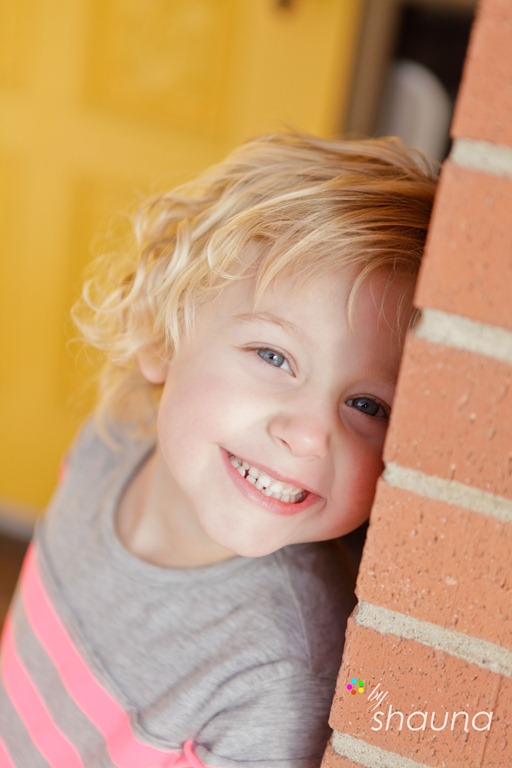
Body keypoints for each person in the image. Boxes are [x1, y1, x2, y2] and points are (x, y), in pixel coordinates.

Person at [0, 133, 437, 767]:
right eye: (273, 356)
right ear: (161, 333)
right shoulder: (108, 443)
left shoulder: (280, 672)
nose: (309, 434)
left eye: (368, 405)